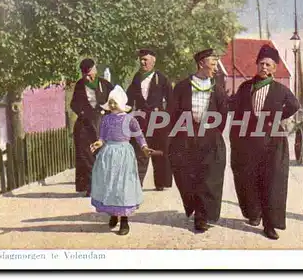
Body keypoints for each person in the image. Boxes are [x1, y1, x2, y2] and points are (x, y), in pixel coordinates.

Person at [229, 44, 300, 240]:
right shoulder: (245, 87)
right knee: (248, 179)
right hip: (248, 143)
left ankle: (270, 224)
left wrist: (276, 117)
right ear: (256, 65)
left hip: (272, 144)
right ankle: (254, 214)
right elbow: (234, 108)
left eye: (268, 65)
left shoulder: (281, 90)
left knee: (271, 183)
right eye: (261, 64)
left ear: (275, 68)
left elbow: (294, 105)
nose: (264, 68)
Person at [168, 48, 228, 233]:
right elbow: (172, 112)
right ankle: (193, 206)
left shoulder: (217, 88)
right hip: (186, 136)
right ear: (201, 63)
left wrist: (211, 132)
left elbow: (223, 115)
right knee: (186, 174)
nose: (215, 67)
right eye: (212, 63)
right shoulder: (182, 87)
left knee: (208, 176)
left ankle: (202, 216)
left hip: (209, 137)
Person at [89, 85, 160, 235]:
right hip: (108, 155)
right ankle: (114, 214)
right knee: (111, 185)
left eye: (115, 102)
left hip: (124, 155)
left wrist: (145, 147)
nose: (113, 105)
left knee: (124, 187)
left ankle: (125, 221)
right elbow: (102, 136)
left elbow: (139, 136)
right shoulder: (106, 119)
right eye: (111, 102)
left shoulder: (130, 120)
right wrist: (98, 143)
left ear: (121, 103)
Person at [126, 49, 174, 191]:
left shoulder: (161, 78)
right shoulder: (136, 78)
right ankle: (138, 182)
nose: (142, 62)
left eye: (145, 59)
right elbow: (129, 99)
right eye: (141, 60)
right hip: (141, 118)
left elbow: (171, 100)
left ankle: (161, 182)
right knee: (140, 149)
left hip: (158, 118)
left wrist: (168, 117)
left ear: (153, 61)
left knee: (159, 150)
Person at [70, 58, 114, 196]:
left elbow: (116, 101)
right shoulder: (79, 85)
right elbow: (74, 104)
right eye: (86, 75)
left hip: (102, 123)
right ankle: (91, 187)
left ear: (95, 69)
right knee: (86, 155)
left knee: (103, 155)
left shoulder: (105, 84)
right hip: (85, 124)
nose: (89, 77)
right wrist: (83, 113)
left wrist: (107, 112)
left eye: (91, 73)